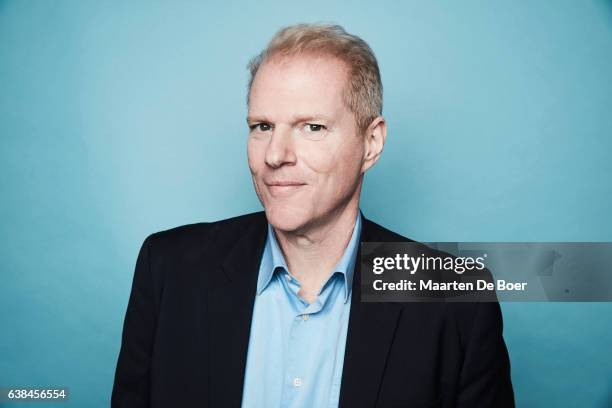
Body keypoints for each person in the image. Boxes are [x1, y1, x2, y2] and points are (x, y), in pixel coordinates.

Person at [111, 23, 515, 407]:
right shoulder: (168, 269)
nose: (275, 155)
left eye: (313, 127)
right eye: (262, 126)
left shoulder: (456, 300)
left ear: (371, 143)